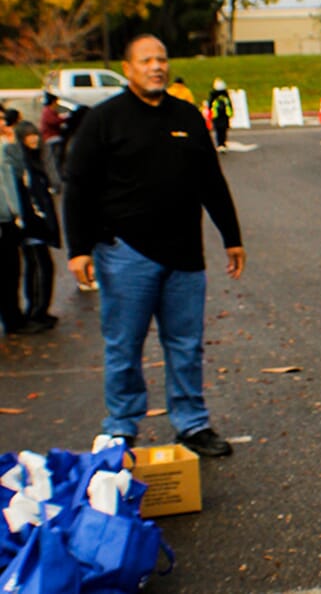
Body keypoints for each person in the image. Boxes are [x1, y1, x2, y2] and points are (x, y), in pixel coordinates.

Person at [63, 34, 246, 456]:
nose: (156, 67)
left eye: (161, 59)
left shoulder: (186, 115)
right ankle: (122, 426)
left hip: (186, 256)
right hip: (126, 254)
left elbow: (211, 182)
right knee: (124, 346)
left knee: (185, 346)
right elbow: (78, 187)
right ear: (128, 69)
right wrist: (79, 248)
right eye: (146, 60)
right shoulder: (104, 120)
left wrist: (231, 237)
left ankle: (192, 423)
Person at [9, 121, 60, 330]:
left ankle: (39, 309)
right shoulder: (24, 165)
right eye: (29, 136)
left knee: (39, 267)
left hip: (36, 220)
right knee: (40, 267)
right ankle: (37, 310)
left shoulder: (33, 160)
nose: (35, 139)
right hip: (33, 222)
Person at [0, 109, 41, 336]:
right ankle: (12, 320)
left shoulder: (5, 146)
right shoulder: (2, 149)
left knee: (11, 271)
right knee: (7, 272)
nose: (3, 123)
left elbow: (16, 173)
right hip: (4, 219)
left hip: (8, 219)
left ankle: (13, 318)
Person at [39, 92, 68, 187]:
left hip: (53, 137)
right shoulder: (48, 111)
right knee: (56, 160)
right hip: (52, 138)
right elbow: (54, 121)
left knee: (58, 159)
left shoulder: (49, 111)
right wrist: (64, 119)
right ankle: (57, 180)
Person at [208, 79, 233, 153]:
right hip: (224, 116)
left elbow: (210, 105)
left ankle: (220, 144)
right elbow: (230, 105)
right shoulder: (225, 96)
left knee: (219, 131)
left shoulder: (213, 96)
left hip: (217, 116)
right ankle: (222, 143)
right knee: (223, 131)